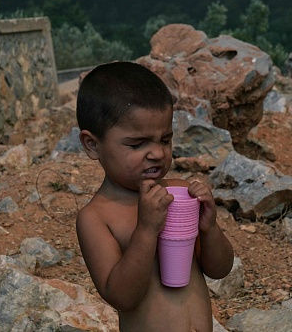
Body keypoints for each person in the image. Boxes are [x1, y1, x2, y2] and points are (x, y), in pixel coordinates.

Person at [75, 61, 234, 332]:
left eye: (165, 139)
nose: (158, 153)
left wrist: (209, 229)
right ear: (93, 145)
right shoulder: (97, 218)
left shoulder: (178, 194)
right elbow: (123, 297)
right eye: (138, 144)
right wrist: (147, 229)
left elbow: (220, 269)